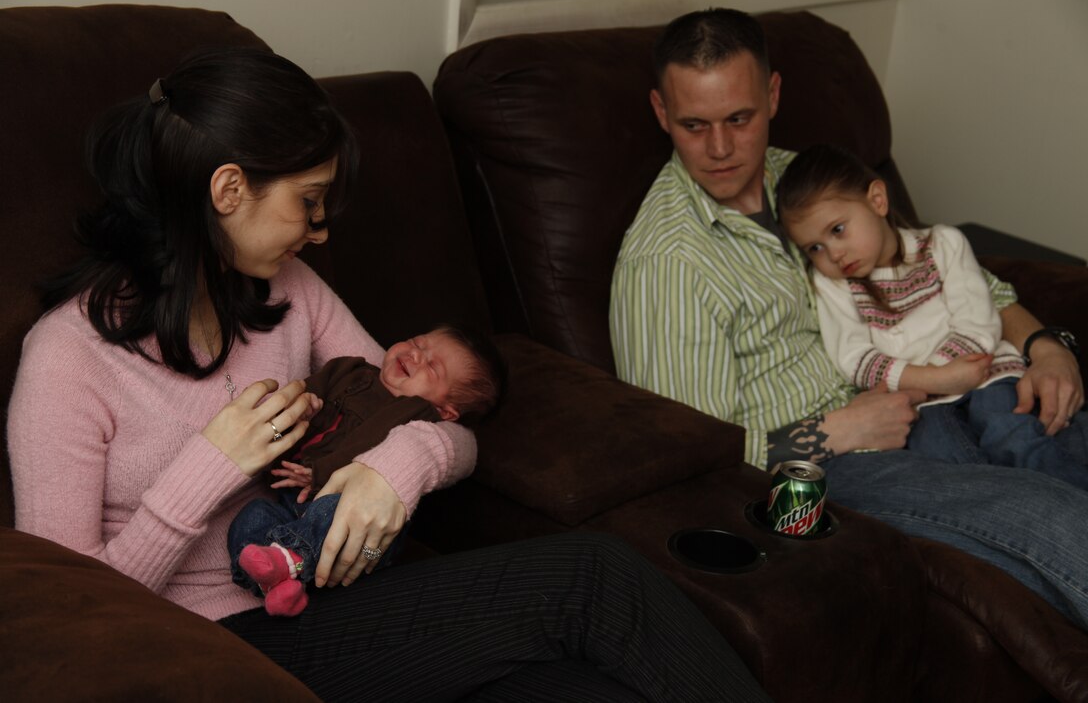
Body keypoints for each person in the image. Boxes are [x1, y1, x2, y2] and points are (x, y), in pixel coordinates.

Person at [8, 47, 772, 701]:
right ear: (229, 190)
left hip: (328, 608)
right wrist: (206, 471)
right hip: (212, 650)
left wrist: (401, 464)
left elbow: (444, 426)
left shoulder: (284, 292)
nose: (321, 230)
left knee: (585, 690)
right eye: (307, 203)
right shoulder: (68, 359)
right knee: (591, 575)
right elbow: (68, 620)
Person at [609, 7, 1088, 628]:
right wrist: (833, 431)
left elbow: (956, 278)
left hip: (919, 409)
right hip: (801, 481)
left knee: (1051, 458)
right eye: (693, 125)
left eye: (740, 118)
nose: (721, 148)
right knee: (1049, 517)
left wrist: (1048, 347)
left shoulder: (800, 178)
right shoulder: (665, 263)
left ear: (773, 95)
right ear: (660, 113)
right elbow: (686, 464)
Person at [776, 143, 1088, 489]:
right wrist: (933, 381)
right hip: (923, 405)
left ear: (877, 200)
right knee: (945, 461)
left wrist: (945, 372)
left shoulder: (943, 245)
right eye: (814, 248)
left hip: (987, 376)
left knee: (1010, 436)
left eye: (837, 230)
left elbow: (979, 323)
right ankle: (1019, 509)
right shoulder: (833, 285)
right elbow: (855, 359)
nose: (833, 253)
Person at [230, 323, 506, 616]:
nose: (414, 355)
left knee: (336, 513)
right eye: (416, 341)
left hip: (357, 521)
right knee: (253, 515)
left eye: (432, 367)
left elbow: (366, 440)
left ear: (446, 412)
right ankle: (278, 582)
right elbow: (306, 391)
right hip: (290, 504)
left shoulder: (417, 412)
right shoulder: (348, 369)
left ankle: (290, 560)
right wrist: (302, 404)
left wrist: (320, 472)